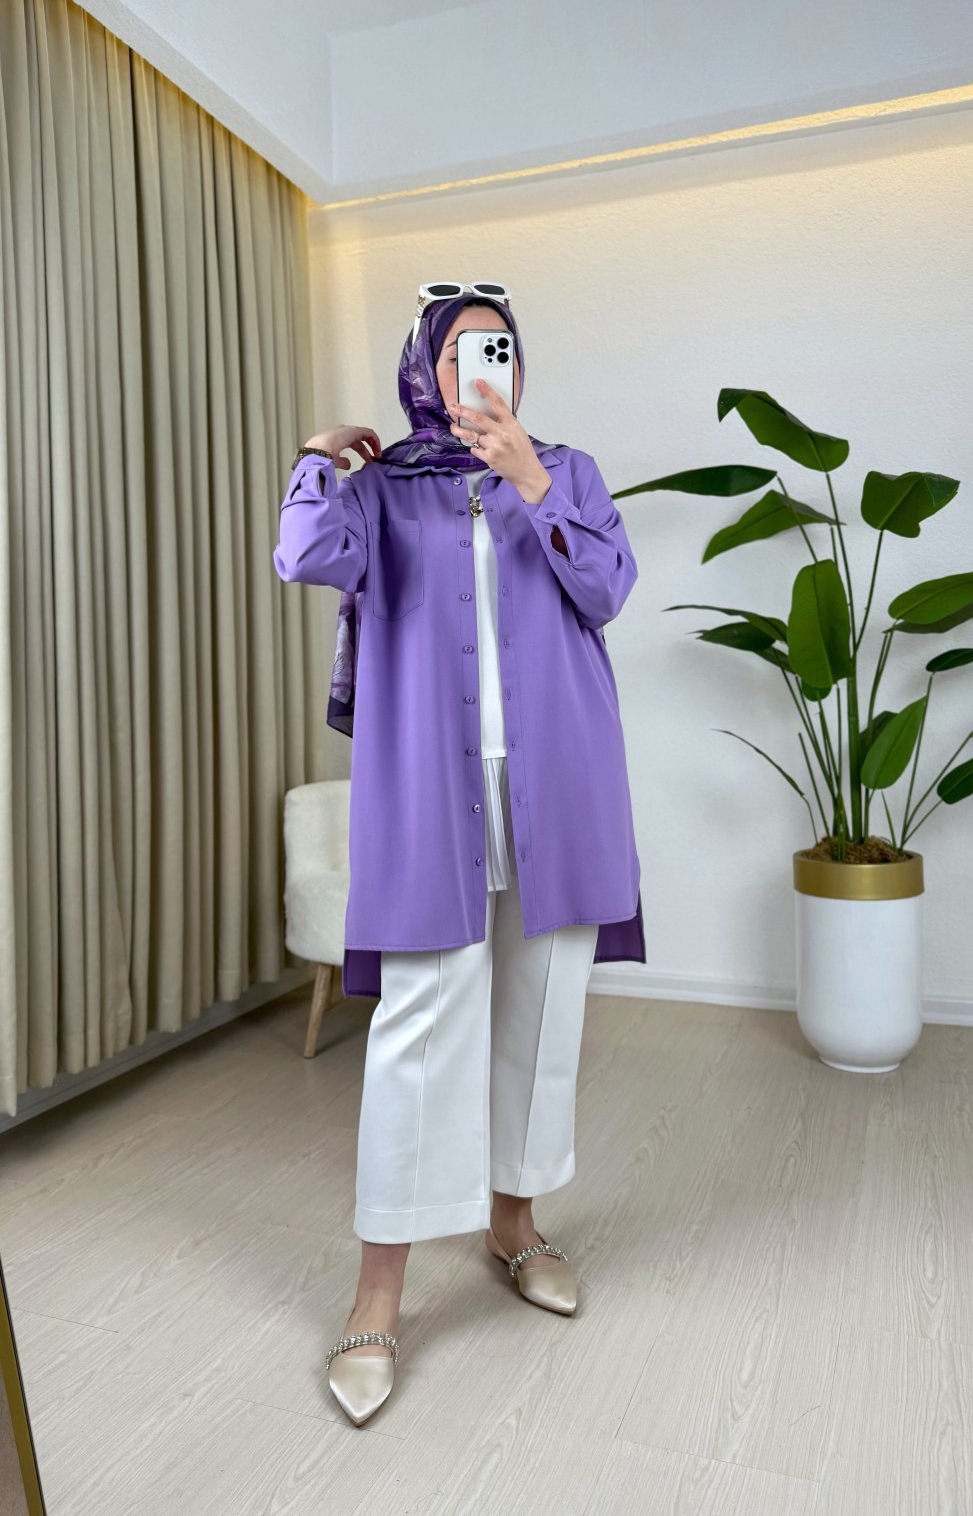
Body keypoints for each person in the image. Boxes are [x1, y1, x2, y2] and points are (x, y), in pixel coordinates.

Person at [273, 283, 645, 1425]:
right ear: (426, 370)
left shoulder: (567, 470)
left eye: (502, 347)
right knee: (419, 1027)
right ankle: (378, 1291)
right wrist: (317, 457)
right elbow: (302, 554)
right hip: (430, 787)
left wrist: (531, 480)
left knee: (543, 1011)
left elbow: (606, 589)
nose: (486, 364)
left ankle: (513, 1225)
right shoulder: (380, 491)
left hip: (560, 783)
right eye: (463, 350)